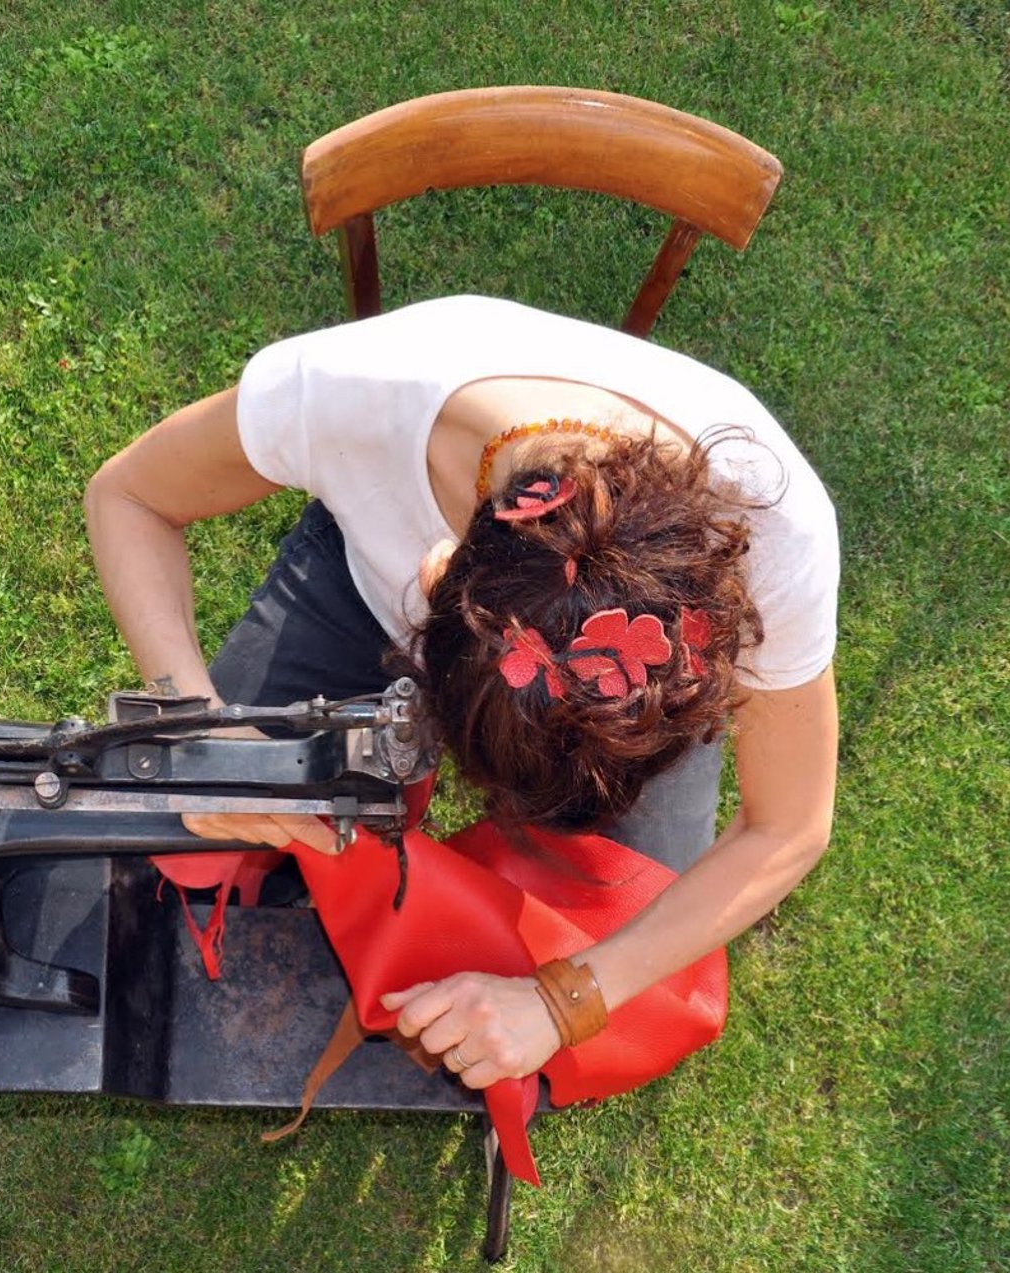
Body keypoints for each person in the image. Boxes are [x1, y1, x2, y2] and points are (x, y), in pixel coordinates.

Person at [84, 294, 838, 1092]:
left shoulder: (772, 534)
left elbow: (788, 827)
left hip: (627, 708)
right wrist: (203, 728)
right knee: (183, 841)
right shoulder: (354, 394)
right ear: (434, 576)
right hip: (362, 585)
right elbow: (127, 495)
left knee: (618, 994)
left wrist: (564, 1000)